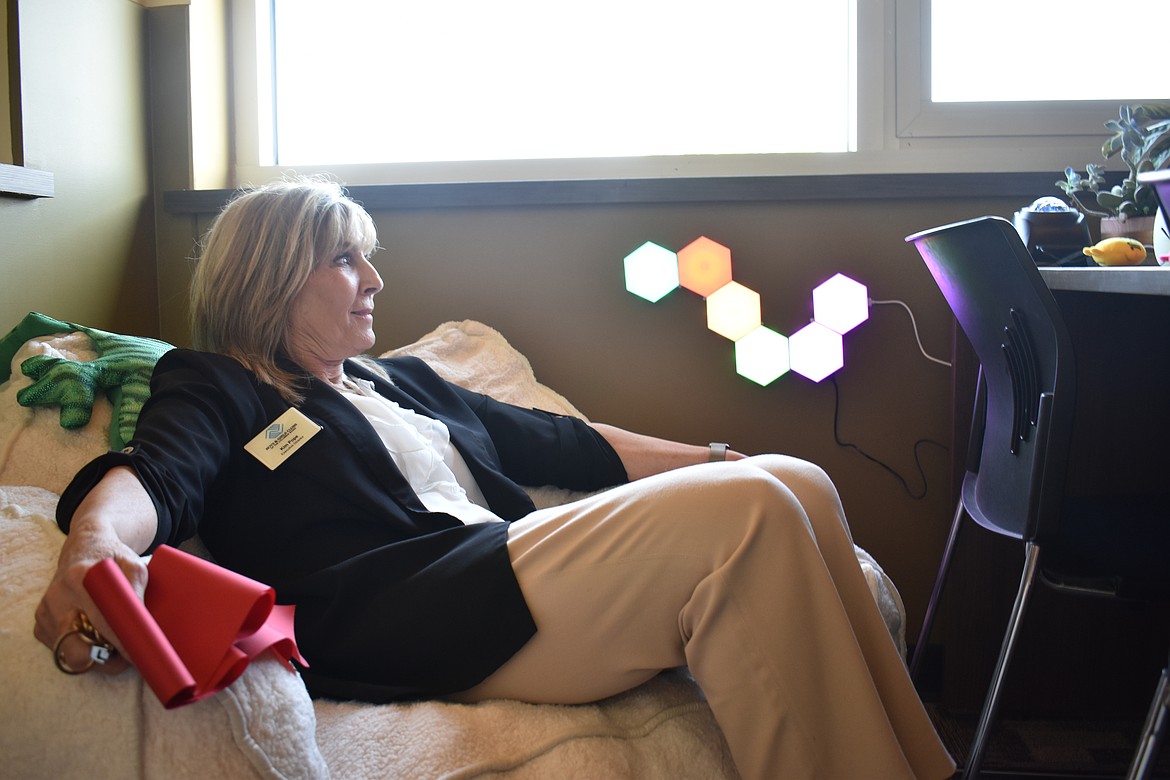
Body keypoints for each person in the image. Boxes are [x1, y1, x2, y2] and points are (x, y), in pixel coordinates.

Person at [33, 177, 954, 780]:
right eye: (346, 258)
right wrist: (99, 543)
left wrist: (719, 458)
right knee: (750, 509)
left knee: (793, 478)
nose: (376, 279)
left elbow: (566, 444)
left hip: (502, 569)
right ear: (273, 278)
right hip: (412, 610)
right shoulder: (221, 383)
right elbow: (160, 474)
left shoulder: (403, 379)